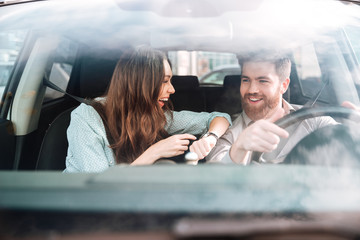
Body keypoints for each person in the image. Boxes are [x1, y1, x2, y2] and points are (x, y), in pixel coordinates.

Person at [64, 46, 232, 172]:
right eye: (165, 81)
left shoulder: (154, 117)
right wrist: (155, 152)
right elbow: (99, 188)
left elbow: (220, 118)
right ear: (140, 85)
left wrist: (211, 137)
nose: (172, 89)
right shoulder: (86, 118)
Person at [207, 53, 337, 165]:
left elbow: (347, 145)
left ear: (283, 85)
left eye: (263, 81)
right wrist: (239, 148)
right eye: (246, 80)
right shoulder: (225, 130)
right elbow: (215, 175)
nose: (252, 90)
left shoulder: (313, 121)